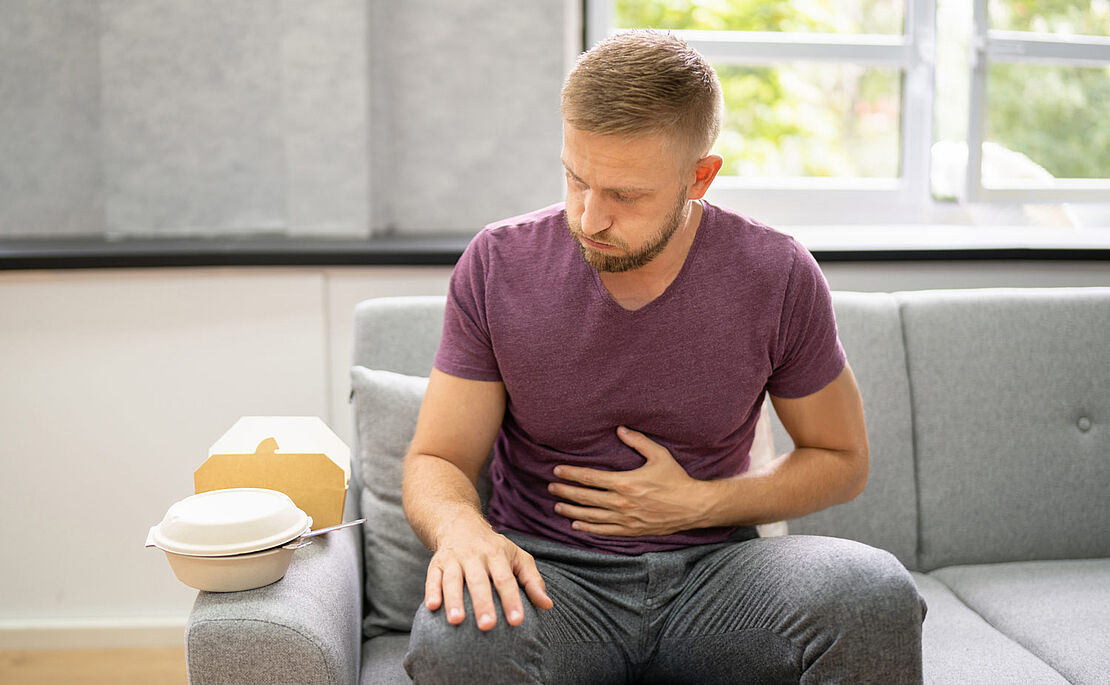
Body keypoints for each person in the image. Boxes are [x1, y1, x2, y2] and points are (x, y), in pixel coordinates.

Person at [401, 29, 925, 685]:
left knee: (874, 592)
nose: (590, 217)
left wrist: (697, 504)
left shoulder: (777, 274)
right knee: (455, 641)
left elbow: (843, 460)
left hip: (716, 576)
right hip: (549, 579)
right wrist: (462, 530)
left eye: (625, 195)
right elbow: (438, 457)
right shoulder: (499, 263)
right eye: (575, 178)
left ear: (699, 177)